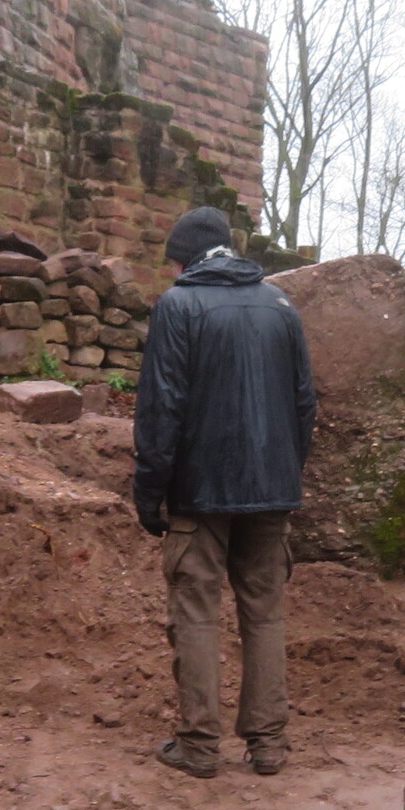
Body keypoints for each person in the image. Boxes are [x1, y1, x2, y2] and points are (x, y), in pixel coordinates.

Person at [133, 206, 318, 778]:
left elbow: (162, 407)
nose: (172, 273)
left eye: (174, 263)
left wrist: (149, 491)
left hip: (200, 491)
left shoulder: (178, 306)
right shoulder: (281, 306)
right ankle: (269, 744)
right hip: (272, 489)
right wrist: (285, 473)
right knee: (265, 615)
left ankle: (198, 746)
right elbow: (304, 403)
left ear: (186, 260)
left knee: (196, 613)